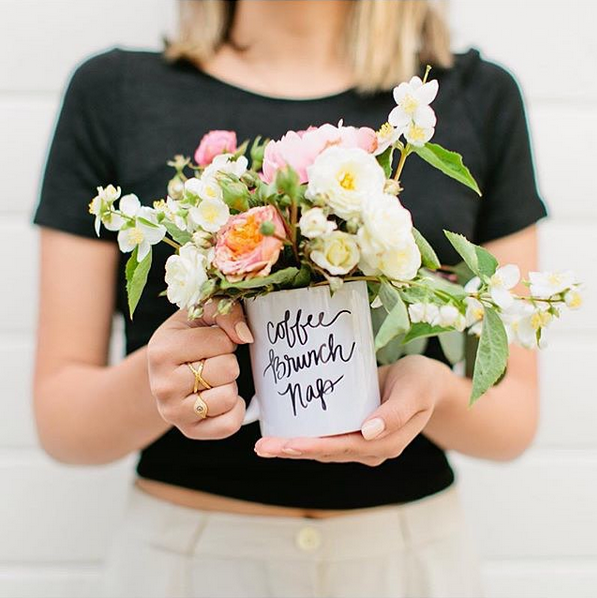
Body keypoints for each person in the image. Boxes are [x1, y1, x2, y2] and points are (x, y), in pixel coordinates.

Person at [31, 1, 548, 597]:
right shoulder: (115, 92)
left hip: (408, 564)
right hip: (188, 564)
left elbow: (513, 417)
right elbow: (62, 422)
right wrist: (162, 380)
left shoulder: (468, 99)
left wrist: (426, 389)